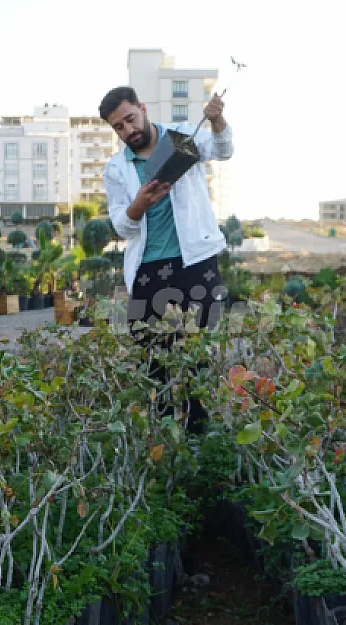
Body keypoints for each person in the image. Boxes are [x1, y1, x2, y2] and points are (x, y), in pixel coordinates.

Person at [99, 85, 234, 432]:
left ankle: (199, 440)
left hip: (197, 263)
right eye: (118, 127)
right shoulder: (116, 169)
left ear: (143, 108)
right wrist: (140, 203)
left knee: (198, 356)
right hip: (149, 271)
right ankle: (160, 443)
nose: (128, 130)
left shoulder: (183, 137)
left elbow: (224, 149)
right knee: (152, 360)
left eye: (130, 119)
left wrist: (217, 121)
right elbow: (121, 227)